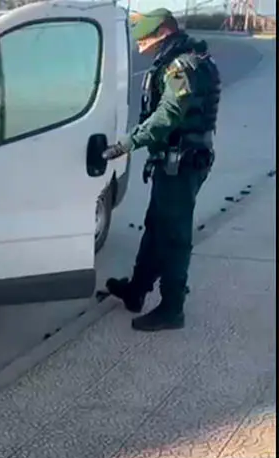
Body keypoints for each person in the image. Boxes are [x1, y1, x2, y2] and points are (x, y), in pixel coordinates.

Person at [101, 8, 220, 332]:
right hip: (178, 158)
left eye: (146, 39)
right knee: (156, 226)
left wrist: (127, 143)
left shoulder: (180, 67)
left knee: (173, 236)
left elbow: (168, 114)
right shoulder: (189, 57)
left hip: (182, 162)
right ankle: (136, 291)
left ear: (163, 32)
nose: (141, 46)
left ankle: (172, 309)